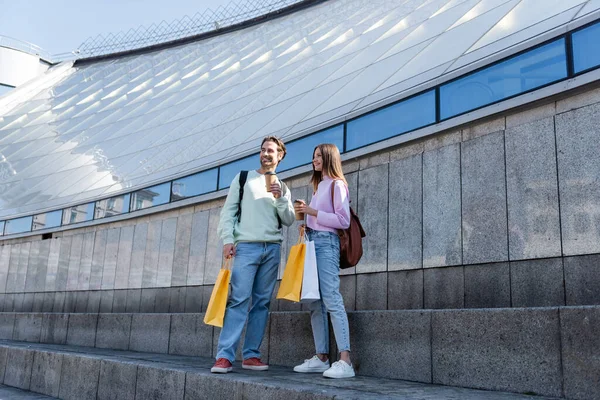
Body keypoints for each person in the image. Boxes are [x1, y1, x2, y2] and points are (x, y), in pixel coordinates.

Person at [211, 136, 295, 373]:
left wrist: (280, 198)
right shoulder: (243, 178)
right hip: (246, 247)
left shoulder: (283, 186)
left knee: (261, 304)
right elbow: (228, 212)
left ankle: (251, 356)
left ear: (280, 156)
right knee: (238, 299)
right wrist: (228, 240)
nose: (266, 154)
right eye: (263, 150)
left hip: (272, 248)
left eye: (271, 151)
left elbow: (288, 220)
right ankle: (224, 356)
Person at [293, 143, 355, 379]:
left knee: (331, 298)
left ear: (329, 157)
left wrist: (313, 213)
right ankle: (321, 357)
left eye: (318, 156)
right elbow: (317, 217)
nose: (314, 160)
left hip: (327, 244)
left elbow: (343, 220)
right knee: (314, 301)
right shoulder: (319, 186)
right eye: (313, 156)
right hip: (312, 242)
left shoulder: (337, 185)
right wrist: (306, 220)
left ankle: (345, 360)